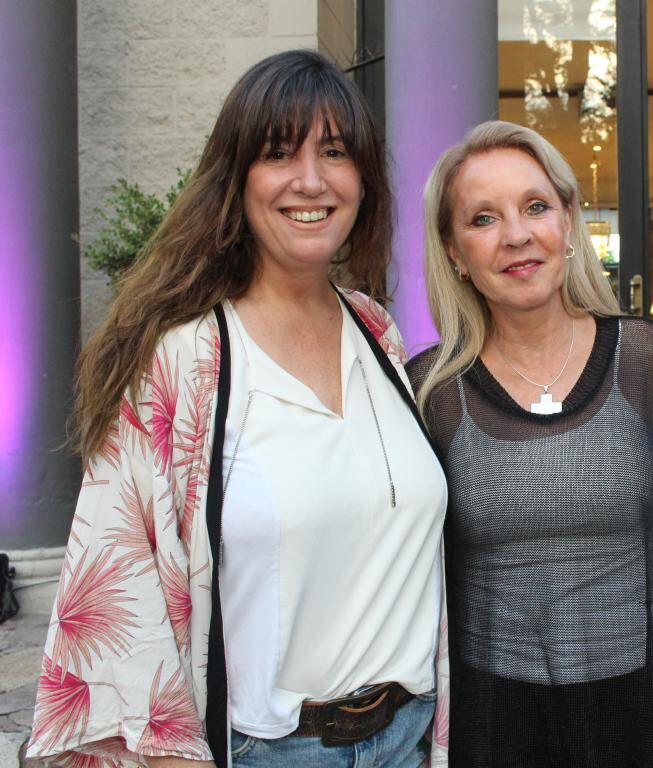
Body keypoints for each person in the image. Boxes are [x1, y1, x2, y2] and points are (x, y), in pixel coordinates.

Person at [26, 50, 448, 768]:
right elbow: (117, 594)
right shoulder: (183, 361)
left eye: (336, 153)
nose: (311, 181)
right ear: (237, 179)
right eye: (278, 153)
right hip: (271, 751)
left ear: (364, 180)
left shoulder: (378, 333)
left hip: (409, 736)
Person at [407, 120, 653, 768]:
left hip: (643, 715)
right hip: (495, 727)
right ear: (454, 250)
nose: (516, 235)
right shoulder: (431, 393)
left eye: (536, 207)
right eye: (483, 218)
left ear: (568, 222)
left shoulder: (645, 360)